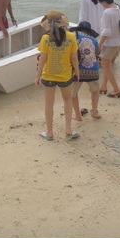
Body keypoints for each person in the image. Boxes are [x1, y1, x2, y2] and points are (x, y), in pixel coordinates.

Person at [35, 9, 80, 140]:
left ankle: (49, 133)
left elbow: (42, 59)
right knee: (67, 100)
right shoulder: (71, 37)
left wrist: (37, 77)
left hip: (48, 75)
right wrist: (77, 73)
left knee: (49, 104)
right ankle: (68, 130)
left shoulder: (45, 38)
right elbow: (74, 58)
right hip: (65, 75)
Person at [69, 21, 102, 120]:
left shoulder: (75, 37)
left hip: (78, 70)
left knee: (73, 94)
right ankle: (94, 112)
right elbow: (97, 55)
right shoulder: (94, 40)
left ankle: (78, 116)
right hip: (93, 70)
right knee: (95, 91)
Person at [96, 0, 120, 98]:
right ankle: (104, 86)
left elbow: (106, 32)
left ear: (103, 1)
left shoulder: (107, 12)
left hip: (110, 43)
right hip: (119, 41)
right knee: (108, 65)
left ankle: (116, 89)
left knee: (106, 66)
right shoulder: (119, 7)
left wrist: (99, 45)